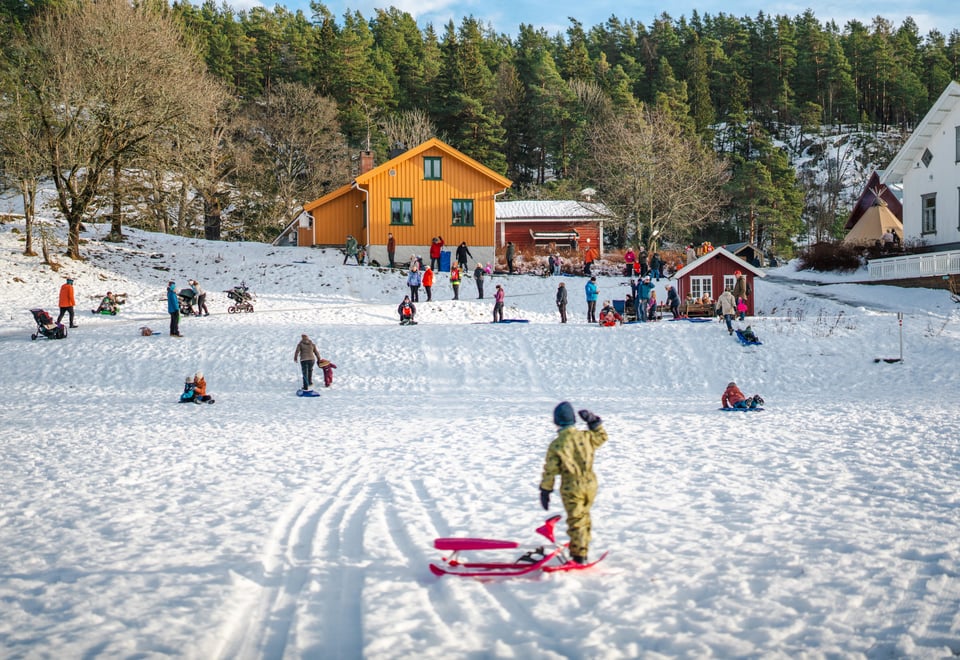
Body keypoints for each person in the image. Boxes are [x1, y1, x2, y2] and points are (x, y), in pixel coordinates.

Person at [539, 402, 607, 565]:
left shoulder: (557, 444)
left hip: (572, 486)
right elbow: (602, 437)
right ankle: (582, 548)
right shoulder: (586, 437)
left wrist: (545, 489)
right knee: (584, 517)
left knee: (576, 520)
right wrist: (594, 422)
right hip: (590, 483)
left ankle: (579, 556)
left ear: (556, 421)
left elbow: (550, 470)